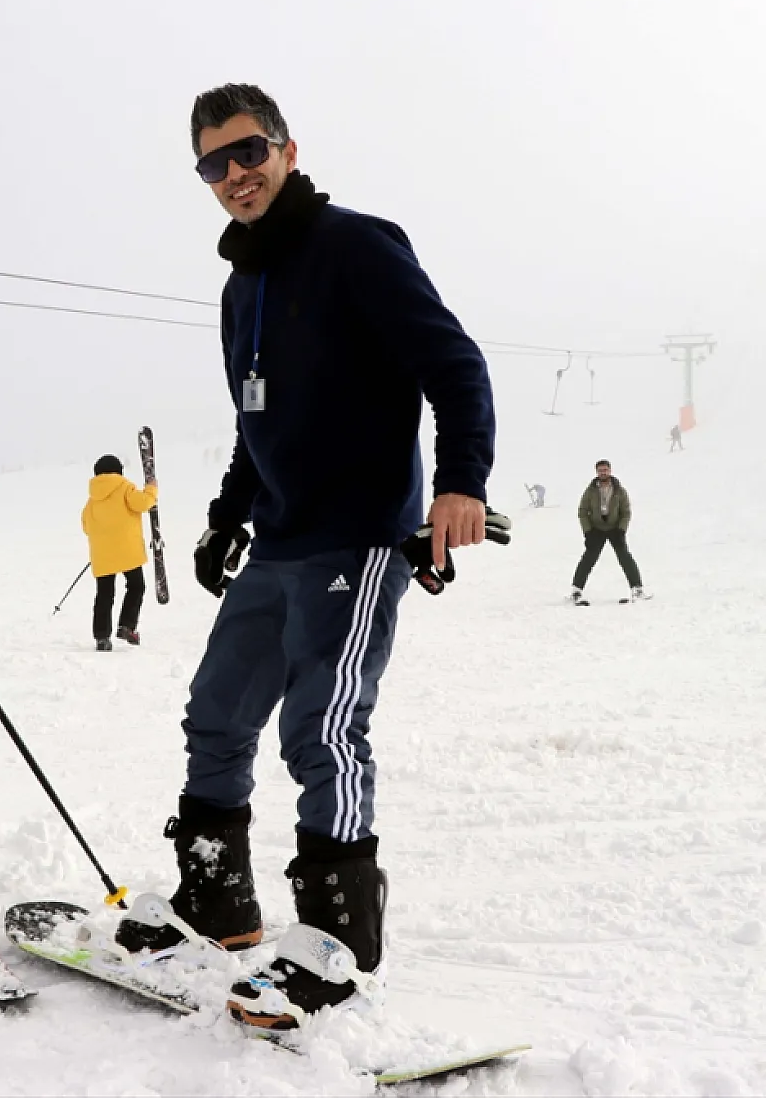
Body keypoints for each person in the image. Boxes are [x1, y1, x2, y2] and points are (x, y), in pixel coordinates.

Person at [110, 84, 497, 1030]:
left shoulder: (358, 246)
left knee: (320, 727)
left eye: (249, 152)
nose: (235, 174)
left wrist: (462, 482)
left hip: (359, 535)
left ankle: (338, 945)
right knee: (218, 712)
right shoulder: (242, 289)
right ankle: (218, 900)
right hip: (279, 540)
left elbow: (455, 366)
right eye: (214, 164)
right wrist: (225, 515)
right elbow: (258, 420)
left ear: (288, 148)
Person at [81, 454, 158, 651]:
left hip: (102, 555)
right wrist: (151, 489)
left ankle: (101, 637)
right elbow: (142, 503)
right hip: (127, 551)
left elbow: (86, 526)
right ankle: (127, 626)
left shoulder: (92, 499)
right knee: (136, 586)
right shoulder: (125, 487)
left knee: (104, 594)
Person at [572, 460, 645, 601]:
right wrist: (588, 531)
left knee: (624, 557)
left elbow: (626, 512)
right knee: (588, 559)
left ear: (610, 471)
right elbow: (582, 511)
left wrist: (621, 529)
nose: (603, 473)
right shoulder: (590, 490)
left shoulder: (619, 490)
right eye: (600, 470)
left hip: (615, 528)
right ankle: (576, 590)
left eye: (605, 470)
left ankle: (637, 588)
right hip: (596, 529)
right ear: (596, 472)